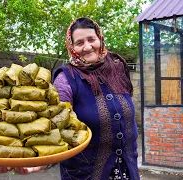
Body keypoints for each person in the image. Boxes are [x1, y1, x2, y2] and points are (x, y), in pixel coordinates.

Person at [52, 17, 139, 180]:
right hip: (85, 174)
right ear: (71, 47)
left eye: (91, 39)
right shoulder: (66, 79)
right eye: (79, 43)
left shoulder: (118, 68)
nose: (87, 46)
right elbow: (57, 128)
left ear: (100, 38)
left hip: (127, 172)